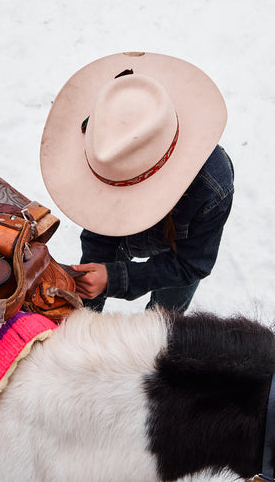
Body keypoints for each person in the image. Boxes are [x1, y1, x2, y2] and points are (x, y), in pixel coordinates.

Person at [39, 52, 233, 313]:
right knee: (84, 308)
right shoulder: (106, 145)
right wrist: (90, 299)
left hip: (180, 248)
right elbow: (99, 232)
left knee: (164, 322)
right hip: (119, 232)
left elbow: (192, 263)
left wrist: (115, 278)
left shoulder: (212, 187)